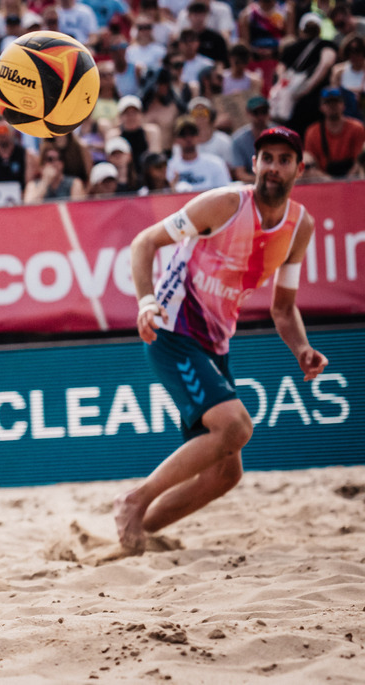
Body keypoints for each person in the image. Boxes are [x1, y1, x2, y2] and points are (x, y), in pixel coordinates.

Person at [114, 126, 329, 556]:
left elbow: (283, 309)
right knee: (235, 426)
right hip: (172, 331)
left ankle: (133, 540)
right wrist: (145, 301)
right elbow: (144, 242)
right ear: (253, 164)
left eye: (283, 159)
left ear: (298, 169)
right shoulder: (226, 203)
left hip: (214, 343)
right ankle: (134, 501)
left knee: (226, 475)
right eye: (265, 157)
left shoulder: (299, 226)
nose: (272, 167)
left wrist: (302, 348)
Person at [304, 86, 365, 176]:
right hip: (323, 179)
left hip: (353, 177)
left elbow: (359, 162)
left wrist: (346, 181)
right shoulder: (312, 131)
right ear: (321, 107)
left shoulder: (357, 128)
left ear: (343, 105)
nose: (332, 106)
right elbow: (312, 162)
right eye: (328, 103)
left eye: (336, 102)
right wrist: (330, 181)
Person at [166, 116, 232, 191]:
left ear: (198, 136)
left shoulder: (216, 163)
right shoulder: (170, 167)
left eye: (192, 133)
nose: (188, 138)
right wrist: (173, 188)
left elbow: (224, 192)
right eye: (183, 134)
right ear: (176, 139)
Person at [231, 96, 278, 182]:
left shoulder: (280, 134)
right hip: (253, 185)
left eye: (264, 112)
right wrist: (266, 180)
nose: (260, 117)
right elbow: (240, 174)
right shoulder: (239, 139)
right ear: (248, 113)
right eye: (256, 112)